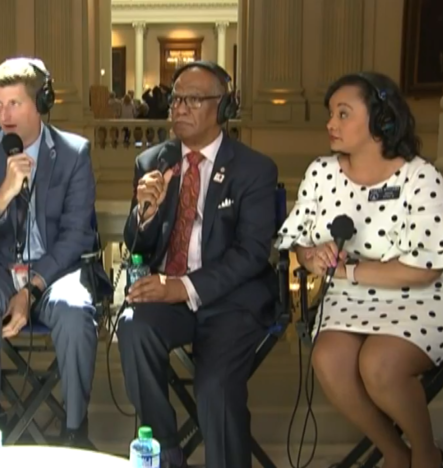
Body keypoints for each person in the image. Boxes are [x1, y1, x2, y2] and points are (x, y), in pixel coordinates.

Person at [276, 72, 443, 468]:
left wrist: (350, 273)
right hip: (347, 300)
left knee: (379, 365)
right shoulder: (321, 172)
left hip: (417, 300)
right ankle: (394, 453)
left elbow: (427, 268)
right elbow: (297, 240)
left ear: (382, 121)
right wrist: (312, 254)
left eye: (343, 113)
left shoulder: (421, 177)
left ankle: (425, 452)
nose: (331, 123)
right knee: (329, 360)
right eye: (330, 113)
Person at [117, 60, 278, 468]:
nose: (179, 108)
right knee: (133, 326)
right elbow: (135, 242)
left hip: (233, 302)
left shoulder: (255, 169)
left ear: (222, 107)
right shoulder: (153, 161)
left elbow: (252, 253)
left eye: (193, 99)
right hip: (172, 303)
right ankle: (166, 451)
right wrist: (145, 212)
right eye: (175, 99)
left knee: (215, 387)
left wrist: (183, 286)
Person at [0, 57, 109, 447]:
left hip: (57, 270)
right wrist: (1, 196)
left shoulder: (74, 154)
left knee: (74, 311)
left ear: (41, 103)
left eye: (15, 103)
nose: (4, 114)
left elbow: (76, 238)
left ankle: (74, 430)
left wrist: (32, 287)